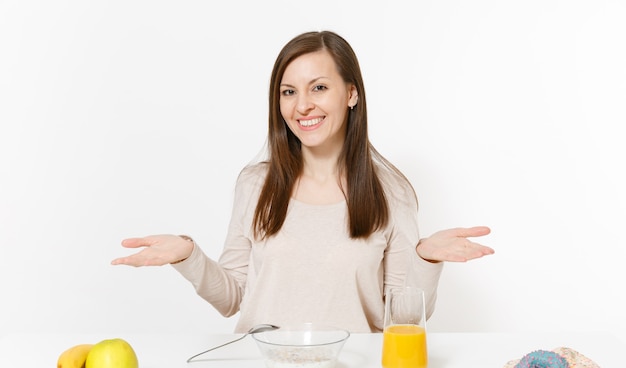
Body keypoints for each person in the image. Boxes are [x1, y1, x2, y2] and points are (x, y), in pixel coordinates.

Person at [111, 30, 494, 333]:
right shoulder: (255, 184)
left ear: (351, 93)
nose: (302, 105)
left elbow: (403, 320)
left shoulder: (390, 192)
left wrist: (425, 259)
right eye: (289, 92)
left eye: (319, 87)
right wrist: (187, 255)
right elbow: (232, 298)